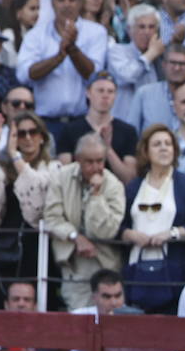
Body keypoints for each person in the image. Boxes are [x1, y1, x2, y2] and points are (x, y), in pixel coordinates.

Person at [119, 124, 185, 314]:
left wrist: (171, 234)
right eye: (157, 144)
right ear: (146, 152)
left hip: (175, 270)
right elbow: (119, 226)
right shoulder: (134, 186)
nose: (164, 148)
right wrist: (131, 234)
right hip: (137, 270)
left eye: (168, 144)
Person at [16, 0, 108, 147]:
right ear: (52, 2)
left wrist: (72, 49)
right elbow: (24, 74)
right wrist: (58, 57)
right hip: (45, 122)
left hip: (82, 120)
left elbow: (94, 75)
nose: (67, 4)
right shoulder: (36, 35)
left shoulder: (96, 32)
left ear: (80, 2)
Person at [41, 132, 126, 310]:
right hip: (74, 264)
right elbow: (51, 217)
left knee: (109, 323)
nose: (96, 167)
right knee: (79, 318)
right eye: (89, 161)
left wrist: (96, 196)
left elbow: (105, 231)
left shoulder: (114, 185)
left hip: (105, 264)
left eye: (100, 161)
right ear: (78, 159)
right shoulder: (60, 177)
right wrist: (75, 237)